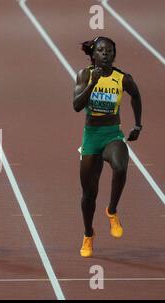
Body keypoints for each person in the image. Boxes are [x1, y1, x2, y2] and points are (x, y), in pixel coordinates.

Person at [73, 37, 142, 257]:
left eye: (110, 51)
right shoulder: (85, 75)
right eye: (101, 50)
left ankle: (112, 211)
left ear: (114, 54)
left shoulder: (122, 79)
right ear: (93, 55)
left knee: (121, 167)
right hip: (91, 136)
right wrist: (92, 85)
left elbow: (136, 96)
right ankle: (88, 234)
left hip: (112, 133)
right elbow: (76, 105)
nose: (105, 54)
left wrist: (138, 125)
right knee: (88, 195)